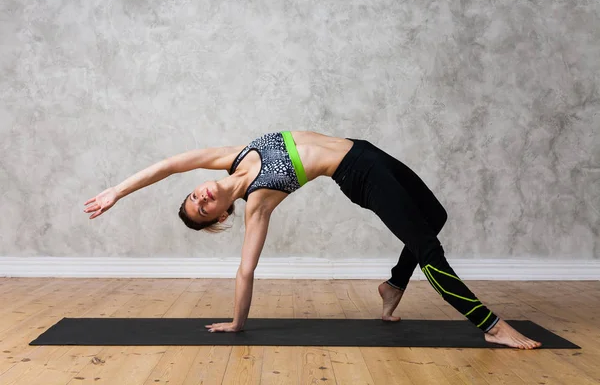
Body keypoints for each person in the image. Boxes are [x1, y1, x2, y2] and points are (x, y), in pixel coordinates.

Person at [84, 130, 541, 349]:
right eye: (201, 210)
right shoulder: (258, 203)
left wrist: (117, 192)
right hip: (359, 175)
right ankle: (491, 326)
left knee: (435, 215)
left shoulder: (233, 156)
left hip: (366, 150)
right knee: (428, 248)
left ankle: (393, 285)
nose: (200, 197)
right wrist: (237, 323)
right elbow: (246, 269)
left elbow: (168, 163)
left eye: (193, 197)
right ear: (220, 217)